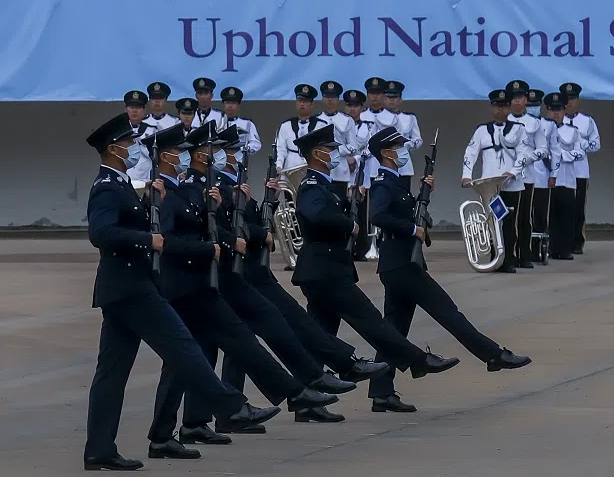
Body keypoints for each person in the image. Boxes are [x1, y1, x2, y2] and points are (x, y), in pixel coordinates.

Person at [82, 115, 278, 471]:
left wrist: (147, 206)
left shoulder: (121, 184)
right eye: (126, 144)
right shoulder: (106, 187)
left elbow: (125, 223)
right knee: (183, 348)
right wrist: (147, 239)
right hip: (131, 289)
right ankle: (231, 405)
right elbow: (101, 233)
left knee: (112, 374)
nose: (130, 149)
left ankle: (99, 449)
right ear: (112, 149)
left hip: (123, 289)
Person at [146, 124, 339, 456]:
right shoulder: (166, 192)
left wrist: (223, 210)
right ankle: (287, 394)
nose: (181, 156)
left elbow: (208, 225)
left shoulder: (193, 189)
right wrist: (215, 244)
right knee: (235, 340)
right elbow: (168, 241)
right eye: (178, 151)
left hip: (201, 284)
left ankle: (184, 426)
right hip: (185, 288)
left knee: (188, 359)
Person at [180, 126, 386, 428]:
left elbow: (245, 223)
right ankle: (314, 379)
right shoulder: (206, 187)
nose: (230, 156)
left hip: (245, 271)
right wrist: (252, 233)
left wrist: (269, 205)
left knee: (244, 340)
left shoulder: (225, 185)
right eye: (226, 150)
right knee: (248, 337)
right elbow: (224, 229)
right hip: (232, 273)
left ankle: (221, 416)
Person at [365, 127, 532, 411]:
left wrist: (423, 197)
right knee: (448, 312)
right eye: (398, 147)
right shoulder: (383, 182)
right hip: (402, 266)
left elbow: (406, 215)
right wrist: (411, 227)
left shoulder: (396, 182)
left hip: (399, 264)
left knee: (393, 332)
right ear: (386, 153)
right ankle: (492, 355)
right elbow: (378, 215)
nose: (403, 151)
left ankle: (382, 392)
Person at [291, 124, 460, 401]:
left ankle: (306, 398)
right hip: (325, 272)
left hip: (325, 270)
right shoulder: (311, 185)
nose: (335, 155)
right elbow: (316, 215)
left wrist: (349, 203)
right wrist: (350, 224)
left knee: (320, 335)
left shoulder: (324, 186)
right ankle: (416, 360)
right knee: (370, 321)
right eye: (330, 151)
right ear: (317, 155)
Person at [461, 89, 529, 273]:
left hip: (511, 185)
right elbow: (471, 152)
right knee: (491, 221)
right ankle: (494, 257)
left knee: (509, 223)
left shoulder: (519, 129)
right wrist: (466, 175)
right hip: (489, 186)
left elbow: (524, 154)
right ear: (491, 108)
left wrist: (513, 172)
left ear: (509, 107)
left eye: (504, 105)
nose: (500, 109)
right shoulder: (482, 130)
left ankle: (508, 259)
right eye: (497, 106)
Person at [507, 80, 548, 268]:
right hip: (505, 177)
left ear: (525, 100)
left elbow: (543, 149)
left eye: (520, 98)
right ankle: (506, 253)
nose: (517, 102)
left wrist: (527, 158)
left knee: (524, 216)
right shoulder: (503, 122)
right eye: (513, 98)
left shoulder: (534, 123)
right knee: (506, 216)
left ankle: (524, 254)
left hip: (526, 176)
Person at [558, 83, 601, 254]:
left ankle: (577, 241)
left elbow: (596, 144)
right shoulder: (555, 121)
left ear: (578, 100)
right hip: (560, 171)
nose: (569, 103)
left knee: (577, 206)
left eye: (572, 99)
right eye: (566, 99)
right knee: (561, 206)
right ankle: (561, 240)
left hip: (579, 170)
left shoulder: (587, 121)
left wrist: (582, 144)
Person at [344, 89, 377, 260]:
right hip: (343, 172)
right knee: (344, 209)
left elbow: (370, 147)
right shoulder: (339, 126)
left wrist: (354, 158)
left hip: (361, 172)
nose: (352, 109)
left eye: (355, 106)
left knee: (362, 212)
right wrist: (346, 159)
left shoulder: (369, 127)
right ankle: (345, 246)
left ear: (362, 108)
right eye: (349, 105)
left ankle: (362, 247)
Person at [545, 92, 579, 260]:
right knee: (549, 217)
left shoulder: (572, 131)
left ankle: (565, 249)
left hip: (567, 179)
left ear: (564, 111)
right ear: (547, 110)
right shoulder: (540, 129)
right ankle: (550, 249)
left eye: (559, 110)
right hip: (547, 180)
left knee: (566, 216)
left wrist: (561, 156)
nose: (556, 114)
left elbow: (579, 152)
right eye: (552, 110)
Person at [315, 80, 359, 202]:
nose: (330, 100)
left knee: (340, 207)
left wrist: (336, 149)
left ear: (338, 99)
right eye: (327, 96)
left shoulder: (347, 120)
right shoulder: (315, 120)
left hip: (340, 171)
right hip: (320, 169)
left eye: (333, 97)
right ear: (323, 98)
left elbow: (353, 147)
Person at [274, 83, 325, 173]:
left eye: (305, 101)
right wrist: (279, 166)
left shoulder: (320, 125)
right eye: (299, 100)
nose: (302, 104)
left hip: (312, 165)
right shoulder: (286, 125)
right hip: (290, 165)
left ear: (312, 104)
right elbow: (281, 149)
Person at [527, 89, 553, 261]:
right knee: (524, 216)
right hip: (525, 176)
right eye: (530, 105)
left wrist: (554, 173)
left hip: (542, 175)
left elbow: (555, 150)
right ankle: (525, 249)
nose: (532, 108)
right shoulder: (519, 123)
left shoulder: (549, 125)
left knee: (540, 215)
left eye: (535, 105)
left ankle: (539, 249)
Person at [384, 80, 422, 192]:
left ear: (400, 99)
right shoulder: (377, 117)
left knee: (403, 199)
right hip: (383, 164)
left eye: (395, 97)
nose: (391, 100)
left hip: (404, 165)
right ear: (384, 99)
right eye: (388, 97)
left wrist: (407, 145)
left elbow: (418, 139)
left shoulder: (410, 118)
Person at [220, 86, 262, 155]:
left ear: (238, 105)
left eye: (233, 103)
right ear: (224, 104)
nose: (230, 106)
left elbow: (256, 143)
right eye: (227, 102)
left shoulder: (247, 124)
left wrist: (243, 149)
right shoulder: (217, 123)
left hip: (239, 159)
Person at [123, 90, 155, 182]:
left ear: (144, 110)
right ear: (125, 109)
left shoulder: (153, 131)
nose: (134, 110)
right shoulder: (119, 132)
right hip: (124, 179)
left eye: (138, 107)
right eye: (131, 106)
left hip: (146, 180)